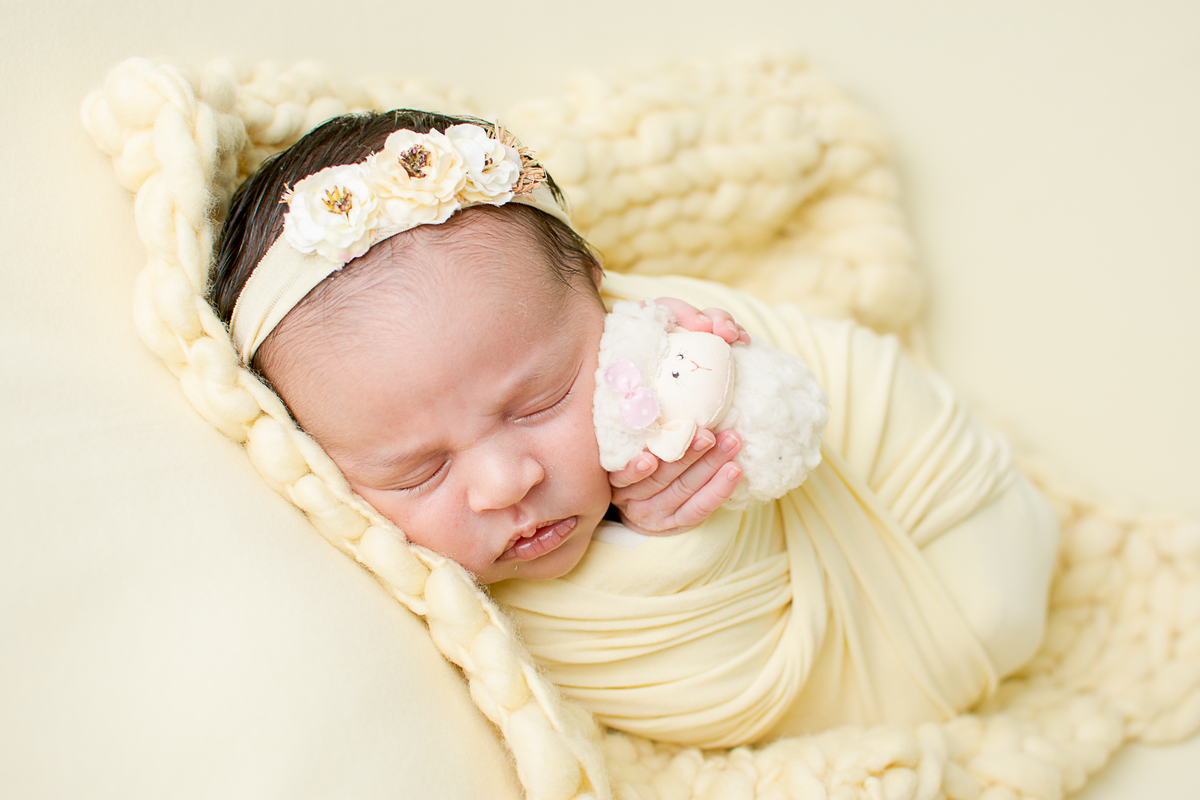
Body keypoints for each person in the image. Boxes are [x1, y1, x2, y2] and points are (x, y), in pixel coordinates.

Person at [211, 109, 1059, 747]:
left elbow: (815, 413)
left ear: (600, 292)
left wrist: (710, 431)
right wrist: (649, 539)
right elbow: (706, 682)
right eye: (417, 470)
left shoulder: (681, 339)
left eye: (538, 402)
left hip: (941, 532)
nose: (505, 482)